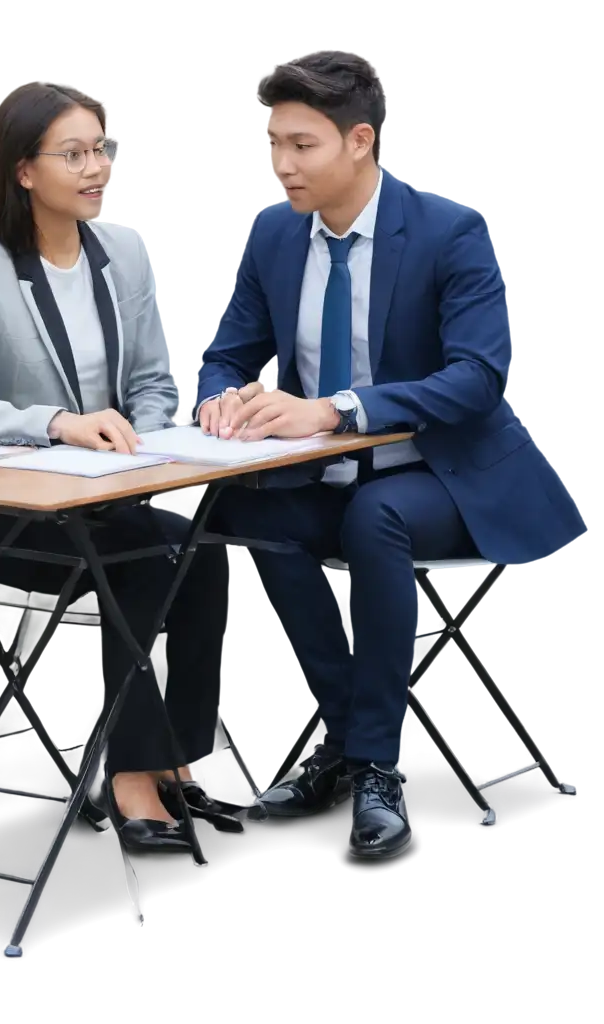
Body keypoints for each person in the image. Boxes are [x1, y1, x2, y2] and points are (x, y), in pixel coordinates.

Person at [196, 53, 584, 862]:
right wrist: (219, 398)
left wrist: (337, 408)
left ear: (360, 140)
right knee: (247, 512)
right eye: (272, 142)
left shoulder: (449, 232)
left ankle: (374, 765)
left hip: (442, 475)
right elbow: (225, 352)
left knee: (376, 521)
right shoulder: (272, 234)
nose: (280, 164)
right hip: (324, 476)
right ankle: (342, 740)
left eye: (301, 145)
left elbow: (478, 379)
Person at [0, 82, 247, 857]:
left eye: (102, 148)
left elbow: (149, 383)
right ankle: (128, 775)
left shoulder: (126, 251)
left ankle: (181, 750)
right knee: (147, 565)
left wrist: (155, 444)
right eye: (73, 153)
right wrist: (58, 425)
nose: (95, 167)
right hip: (8, 510)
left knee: (209, 555)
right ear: (24, 171)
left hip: (109, 495)